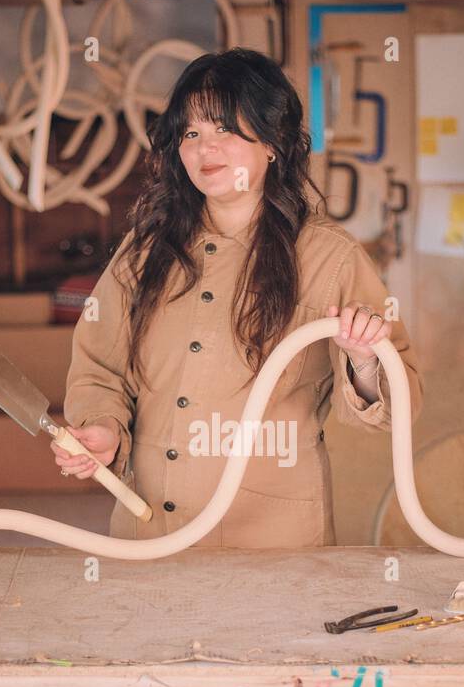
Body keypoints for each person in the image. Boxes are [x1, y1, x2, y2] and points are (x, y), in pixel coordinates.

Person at [53, 47, 423, 547]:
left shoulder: (329, 257)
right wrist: (103, 428)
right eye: (191, 133)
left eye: (224, 128)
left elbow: (400, 405)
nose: (206, 149)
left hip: (274, 543)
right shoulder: (144, 252)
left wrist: (363, 360)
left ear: (272, 143)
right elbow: (99, 366)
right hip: (150, 532)